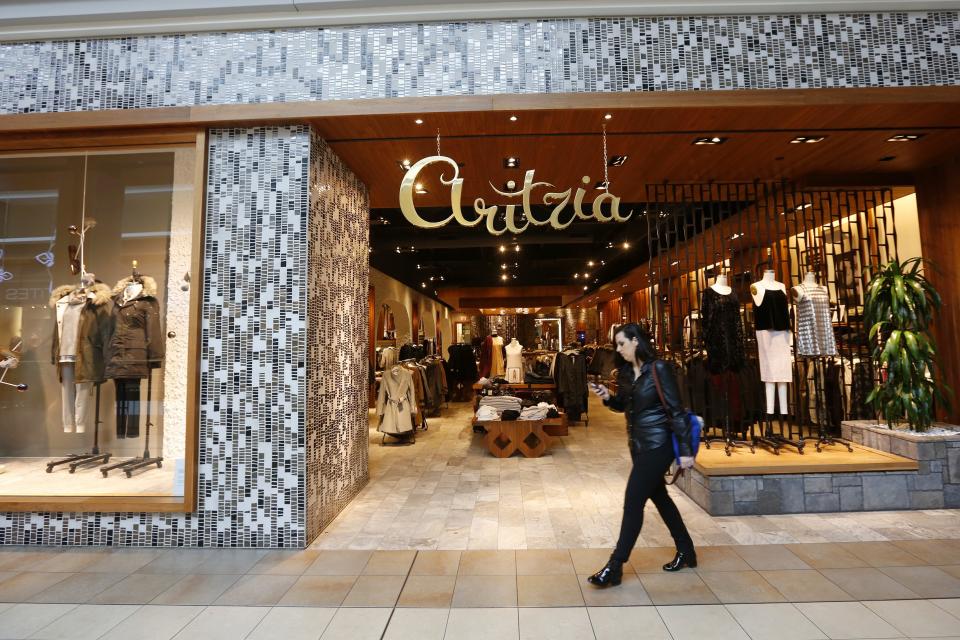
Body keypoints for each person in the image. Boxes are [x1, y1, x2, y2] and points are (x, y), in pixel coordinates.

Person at [587, 323, 696, 587]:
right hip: (639, 445)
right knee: (660, 498)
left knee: (633, 501)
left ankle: (615, 565)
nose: (618, 349)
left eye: (622, 343)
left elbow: (676, 410)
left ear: (636, 341)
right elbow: (622, 406)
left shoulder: (659, 369)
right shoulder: (626, 373)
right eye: (616, 345)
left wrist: (684, 451)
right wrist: (607, 397)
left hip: (658, 446)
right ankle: (687, 550)